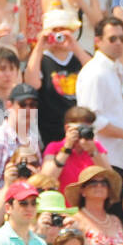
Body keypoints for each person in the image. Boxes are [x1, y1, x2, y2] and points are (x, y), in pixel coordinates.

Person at [75, 16, 123, 173]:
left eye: (122, 38)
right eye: (112, 38)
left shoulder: (114, 69)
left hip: (116, 157)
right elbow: (91, 120)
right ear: (98, 41)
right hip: (98, 157)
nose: (119, 43)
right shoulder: (95, 72)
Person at [26, 9, 91, 147]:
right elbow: (32, 84)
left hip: (81, 128)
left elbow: (97, 75)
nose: (59, 35)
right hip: (51, 131)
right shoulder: (41, 60)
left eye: (64, 30)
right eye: (55, 30)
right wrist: (40, 45)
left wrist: (75, 47)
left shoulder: (81, 56)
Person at [64, 164, 123, 245]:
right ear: (83, 190)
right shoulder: (75, 219)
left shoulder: (115, 220)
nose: (99, 186)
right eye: (93, 183)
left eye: (104, 183)